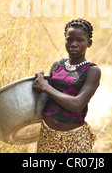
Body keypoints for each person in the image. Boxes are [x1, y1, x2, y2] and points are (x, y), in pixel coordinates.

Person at [32, 19, 101, 153]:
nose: (74, 44)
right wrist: (39, 84)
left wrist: (46, 87)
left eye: (80, 40)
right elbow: (46, 98)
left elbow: (77, 105)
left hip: (74, 138)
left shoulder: (92, 71)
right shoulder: (57, 65)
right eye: (69, 39)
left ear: (89, 43)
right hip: (48, 135)